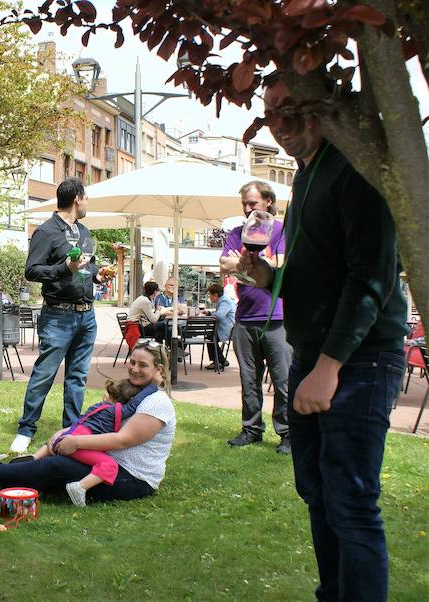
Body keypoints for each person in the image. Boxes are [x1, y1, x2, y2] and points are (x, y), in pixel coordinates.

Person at [237, 81, 409, 602]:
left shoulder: (354, 169)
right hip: (313, 358)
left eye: (290, 109)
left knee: (351, 502)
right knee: (316, 491)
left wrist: (329, 366)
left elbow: (371, 279)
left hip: (358, 362)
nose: (279, 122)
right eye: (270, 114)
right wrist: (270, 280)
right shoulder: (308, 174)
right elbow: (320, 273)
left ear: (322, 106)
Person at [0, 341, 176, 505]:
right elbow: (98, 420)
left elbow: (123, 440)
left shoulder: (156, 402)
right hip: (104, 462)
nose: (134, 369)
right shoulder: (132, 389)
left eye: (143, 365)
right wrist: (67, 432)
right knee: (55, 463)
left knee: (56, 467)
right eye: (132, 362)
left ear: (158, 370)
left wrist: (76, 442)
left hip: (132, 478)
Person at [10, 177, 115, 453]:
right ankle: (26, 429)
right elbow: (31, 271)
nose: (87, 203)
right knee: (44, 374)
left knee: (78, 377)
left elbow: (86, 270)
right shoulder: (46, 232)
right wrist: (62, 270)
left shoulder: (84, 232)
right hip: (58, 316)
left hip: (86, 316)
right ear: (77, 199)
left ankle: (72, 429)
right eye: (87, 198)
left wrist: (98, 275)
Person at [220, 180, 292, 452]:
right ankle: (251, 429)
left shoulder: (281, 230)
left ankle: (287, 433)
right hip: (245, 318)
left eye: (253, 203)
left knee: (283, 379)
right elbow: (224, 264)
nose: (248, 208)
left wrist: (251, 263)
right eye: (244, 204)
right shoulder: (237, 233)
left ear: (268, 202)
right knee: (249, 379)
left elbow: (282, 263)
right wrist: (251, 264)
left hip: (277, 316)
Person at [21, 378, 158, 507]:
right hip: (80, 441)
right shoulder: (116, 411)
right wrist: (153, 385)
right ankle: (80, 487)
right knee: (109, 464)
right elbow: (133, 405)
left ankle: (34, 458)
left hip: (70, 433)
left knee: (52, 448)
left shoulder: (98, 406)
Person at [203, 283, 237, 370]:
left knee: (210, 337)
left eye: (210, 295)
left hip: (226, 329)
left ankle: (218, 361)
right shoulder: (223, 299)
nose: (209, 297)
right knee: (210, 336)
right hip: (224, 327)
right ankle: (220, 360)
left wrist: (211, 314)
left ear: (215, 295)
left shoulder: (224, 301)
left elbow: (220, 316)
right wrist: (210, 313)